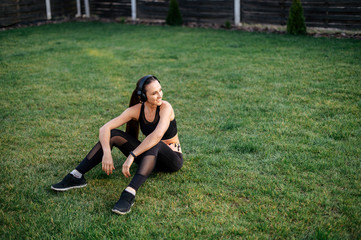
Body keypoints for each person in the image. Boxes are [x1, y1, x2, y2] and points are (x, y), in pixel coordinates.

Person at [51, 75, 183, 215]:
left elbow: (156, 136)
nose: (160, 95)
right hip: (148, 158)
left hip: (171, 159)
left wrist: (133, 155)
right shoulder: (137, 110)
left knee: (155, 143)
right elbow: (104, 129)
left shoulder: (165, 107)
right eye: (154, 93)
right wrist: (107, 153)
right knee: (113, 134)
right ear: (143, 96)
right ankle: (76, 176)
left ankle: (129, 194)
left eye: (160, 90)